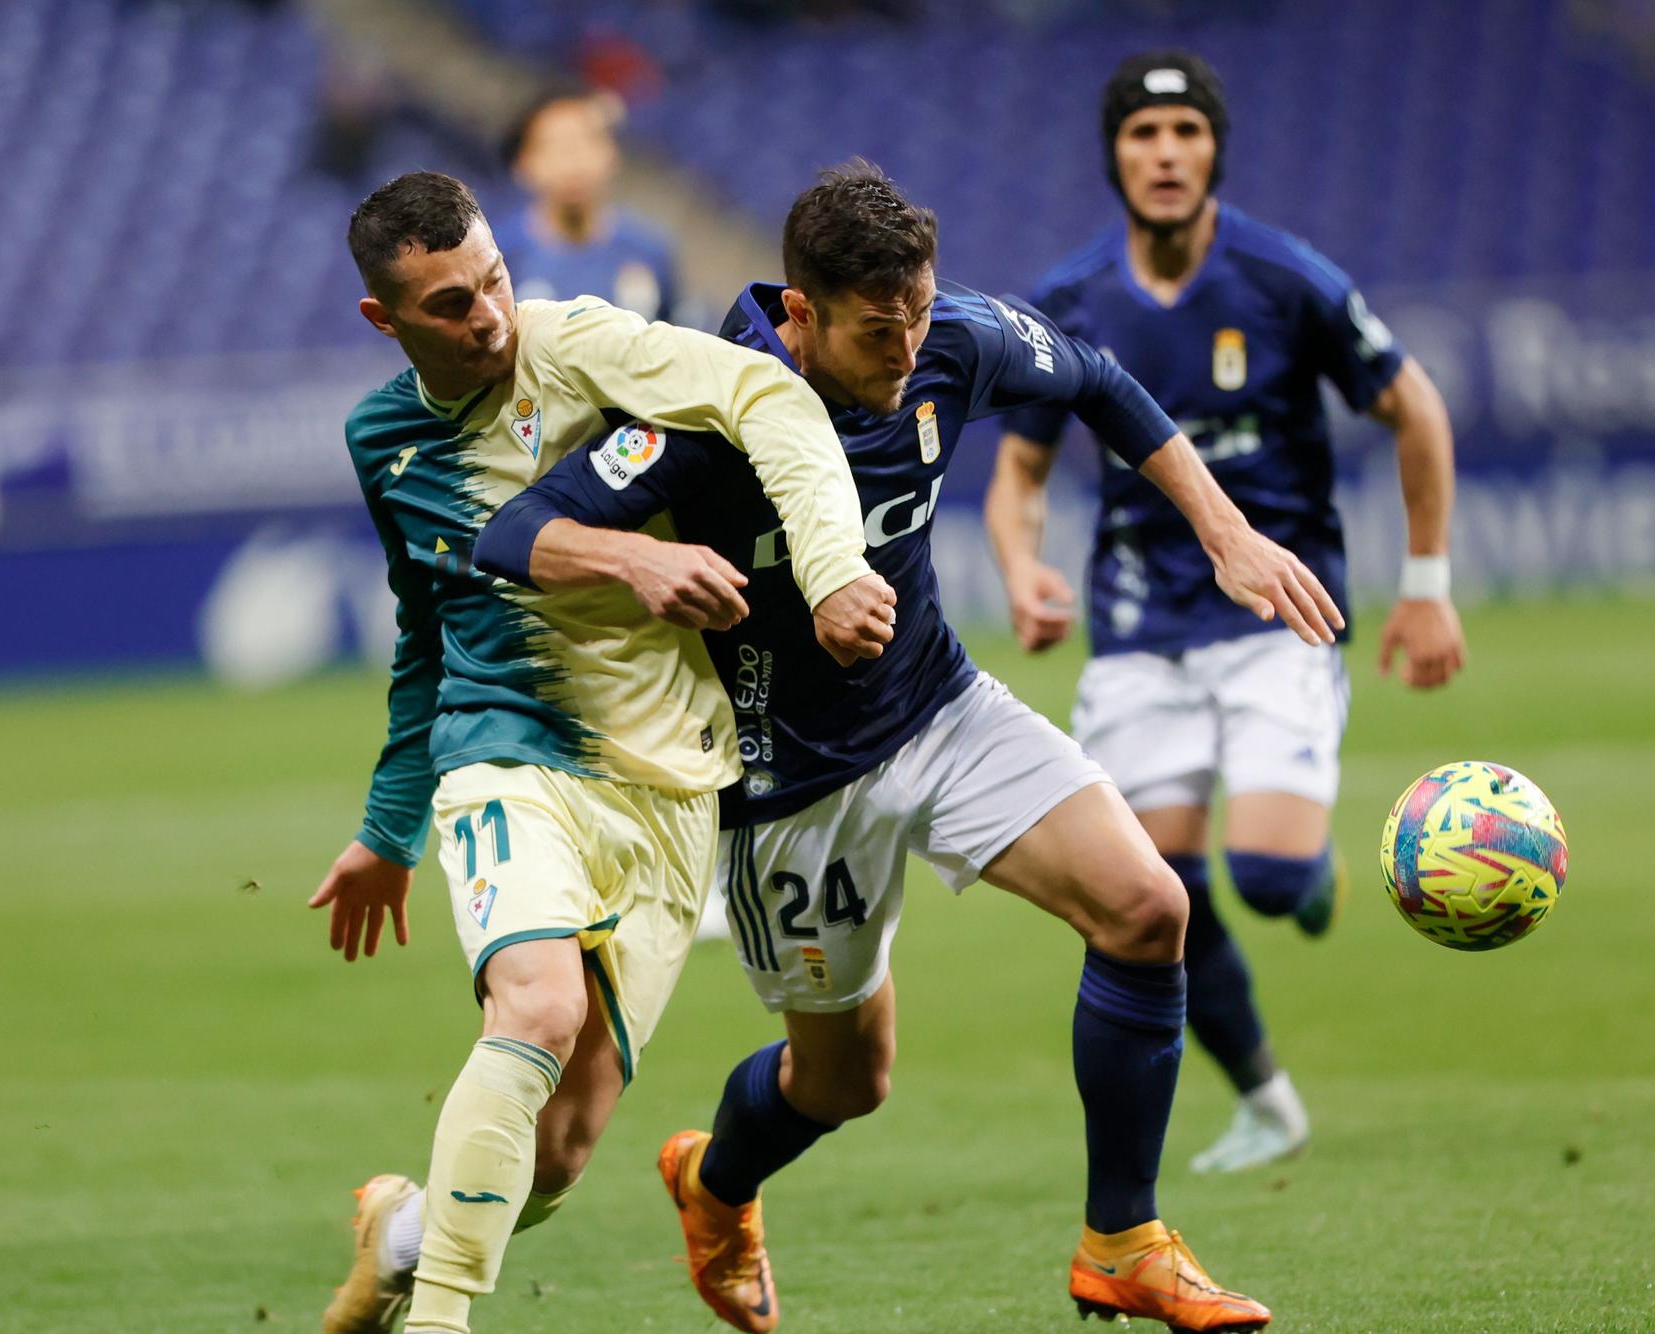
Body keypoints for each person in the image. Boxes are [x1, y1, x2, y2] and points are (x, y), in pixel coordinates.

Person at [473, 160, 1340, 1332]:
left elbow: (1097, 377)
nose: (910, 348)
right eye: (879, 330)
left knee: (1146, 908)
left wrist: (1226, 531)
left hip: (940, 708)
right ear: (798, 314)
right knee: (845, 1081)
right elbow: (516, 530)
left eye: (920, 313)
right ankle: (714, 1181)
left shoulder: (951, 340)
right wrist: (641, 559)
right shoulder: (703, 408)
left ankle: (1121, 1240)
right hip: (790, 786)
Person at [311, 170, 895, 1334]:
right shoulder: (381, 438)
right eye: (448, 305)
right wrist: (386, 830)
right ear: (384, 318)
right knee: (531, 1009)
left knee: (562, 1149)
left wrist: (833, 568)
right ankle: (440, 1317)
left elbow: (765, 397)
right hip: (508, 746)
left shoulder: (578, 346)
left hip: (669, 782)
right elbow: (428, 635)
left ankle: (406, 1233)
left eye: (492, 282)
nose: (487, 317)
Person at [986, 50, 1467, 1175]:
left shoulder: (1282, 278)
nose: (1165, 156)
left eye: (1186, 134)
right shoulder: (1068, 300)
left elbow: (1416, 408)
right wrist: (1019, 568)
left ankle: (1305, 874)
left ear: (1213, 150)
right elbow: (1016, 471)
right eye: (1143, 136)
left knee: (1260, 875)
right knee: (1152, 898)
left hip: (1277, 621)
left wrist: (1427, 587)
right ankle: (1268, 1102)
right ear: (1113, 154)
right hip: (1139, 631)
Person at [501, 87, 678, 323]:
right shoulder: (501, 258)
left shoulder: (650, 251)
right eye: (553, 145)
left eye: (585, 140)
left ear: (611, 153)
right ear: (523, 164)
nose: (572, 159)